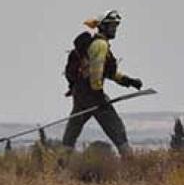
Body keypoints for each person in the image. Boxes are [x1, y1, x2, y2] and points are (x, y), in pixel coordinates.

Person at [61, 10, 143, 156]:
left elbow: (108, 72)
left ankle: (60, 165)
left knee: (72, 130)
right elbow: (96, 73)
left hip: (79, 93)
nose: (115, 29)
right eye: (112, 26)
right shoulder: (100, 45)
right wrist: (99, 97)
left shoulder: (95, 43)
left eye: (116, 26)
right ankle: (131, 164)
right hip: (92, 94)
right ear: (103, 27)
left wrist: (128, 81)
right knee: (116, 128)